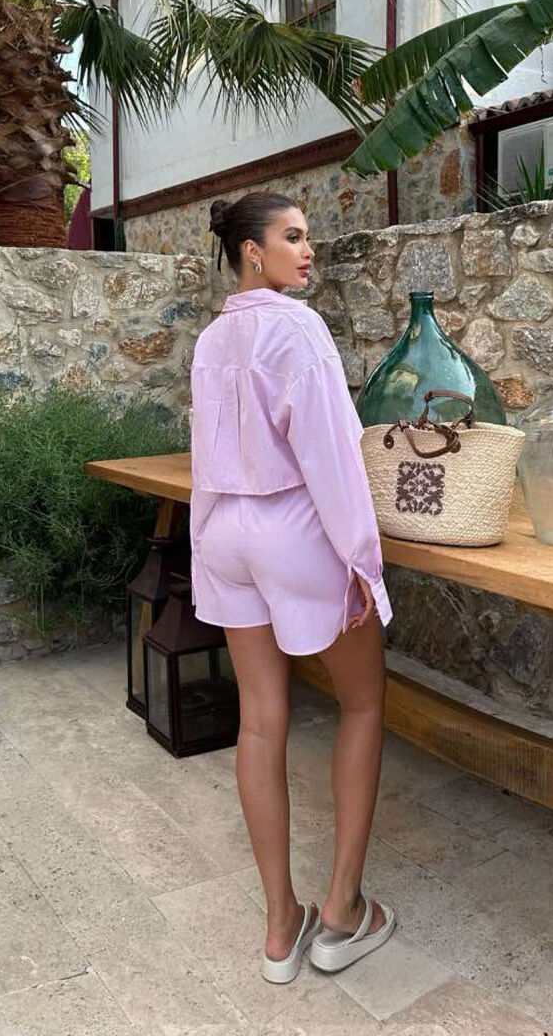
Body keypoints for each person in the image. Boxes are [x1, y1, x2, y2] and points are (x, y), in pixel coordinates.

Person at [189, 191, 396, 985]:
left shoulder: (212, 339)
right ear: (252, 251)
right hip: (295, 533)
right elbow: (333, 456)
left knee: (260, 721)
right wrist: (363, 562)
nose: (308, 250)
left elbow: (205, 454)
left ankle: (282, 928)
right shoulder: (298, 329)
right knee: (363, 703)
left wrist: (204, 547)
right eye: (294, 236)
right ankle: (342, 911)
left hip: (227, 533)